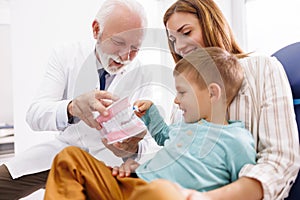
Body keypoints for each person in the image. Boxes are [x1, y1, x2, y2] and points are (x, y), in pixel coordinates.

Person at [44, 47, 257, 199]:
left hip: (164, 194)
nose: (176, 100)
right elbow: (164, 135)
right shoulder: (182, 127)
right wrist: (150, 113)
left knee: (162, 192)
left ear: (212, 93)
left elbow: (244, 186)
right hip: (131, 184)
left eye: (182, 92)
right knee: (69, 158)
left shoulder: (236, 139)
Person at [0, 0, 160, 199]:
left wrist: (133, 148)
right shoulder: (67, 56)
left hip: (111, 165)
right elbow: (35, 115)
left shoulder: (143, 74)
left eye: (135, 48)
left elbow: (151, 142)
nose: (126, 56)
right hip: (61, 155)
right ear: (96, 30)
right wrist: (72, 107)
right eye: (118, 42)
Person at [156, 0, 299, 199]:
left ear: (211, 24)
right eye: (172, 40)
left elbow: (281, 159)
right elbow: (173, 154)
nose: (179, 47)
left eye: (186, 33)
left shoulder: (261, 67)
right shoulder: (182, 98)